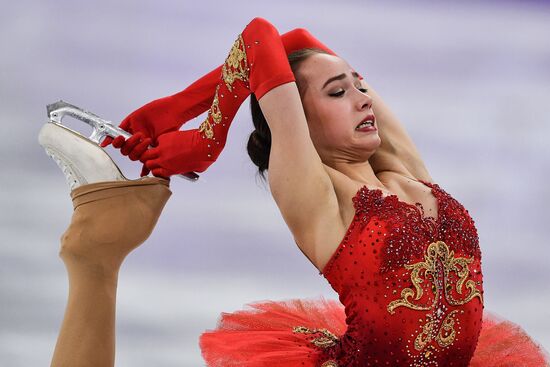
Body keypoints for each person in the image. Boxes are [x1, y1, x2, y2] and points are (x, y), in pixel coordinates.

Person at [44, 17, 549, 367]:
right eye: (337, 92)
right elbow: (261, 38)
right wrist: (202, 138)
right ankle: (92, 254)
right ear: (296, 126)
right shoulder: (316, 190)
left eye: (359, 83)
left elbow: (299, 40)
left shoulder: (401, 167)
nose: (362, 97)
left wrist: (174, 111)